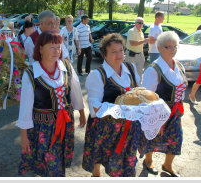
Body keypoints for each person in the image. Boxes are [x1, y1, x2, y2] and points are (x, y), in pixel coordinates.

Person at [17, 30, 86, 177]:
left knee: (58, 160)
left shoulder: (66, 66)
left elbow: (76, 91)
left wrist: (81, 113)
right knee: (49, 163)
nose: (57, 50)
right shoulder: (31, 73)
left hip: (65, 123)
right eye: (51, 46)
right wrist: (24, 136)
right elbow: (25, 108)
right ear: (40, 49)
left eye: (58, 46)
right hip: (44, 126)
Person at [82, 33, 142, 177]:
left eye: (121, 50)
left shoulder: (131, 68)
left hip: (129, 125)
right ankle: (96, 174)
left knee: (126, 162)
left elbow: (139, 91)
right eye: (113, 52)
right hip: (106, 127)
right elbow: (95, 106)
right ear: (105, 55)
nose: (119, 54)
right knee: (100, 155)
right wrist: (118, 109)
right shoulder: (98, 74)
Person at [140, 31, 187, 177]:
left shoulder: (178, 65)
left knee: (176, 138)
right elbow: (147, 98)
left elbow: (182, 88)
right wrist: (156, 121)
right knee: (152, 138)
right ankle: (148, 161)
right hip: (157, 111)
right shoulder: (153, 70)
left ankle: (167, 165)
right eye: (168, 47)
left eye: (175, 46)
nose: (173, 50)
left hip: (175, 112)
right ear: (159, 48)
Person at [124, 16, 149, 82]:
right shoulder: (131, 31)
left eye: (142, 23)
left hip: (140, 54)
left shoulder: (141, 32)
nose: (141, 25)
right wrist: (144, 41)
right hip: (131, 54)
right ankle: (129, 87)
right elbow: (132, 43)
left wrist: (142, 55)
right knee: (130, 72)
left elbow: (141, 45)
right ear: (135, 23)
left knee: (139, 73)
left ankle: (138, 87)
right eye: (139, 23)